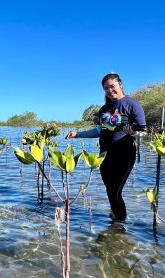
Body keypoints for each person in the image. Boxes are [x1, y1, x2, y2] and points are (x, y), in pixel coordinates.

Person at [66, 72, 146, 221]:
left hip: (124, 155)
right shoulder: (104, 109)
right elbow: (98, 131)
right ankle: (114, 220)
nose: (109, 90)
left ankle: (120, 226)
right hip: (104, 156)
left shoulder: (132, 105)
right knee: (110, 191)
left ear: (120, 85)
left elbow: (143, 132)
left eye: (112, 86)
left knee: (114, 191)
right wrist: (77, 134)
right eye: (106, 88)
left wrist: (132, 133)